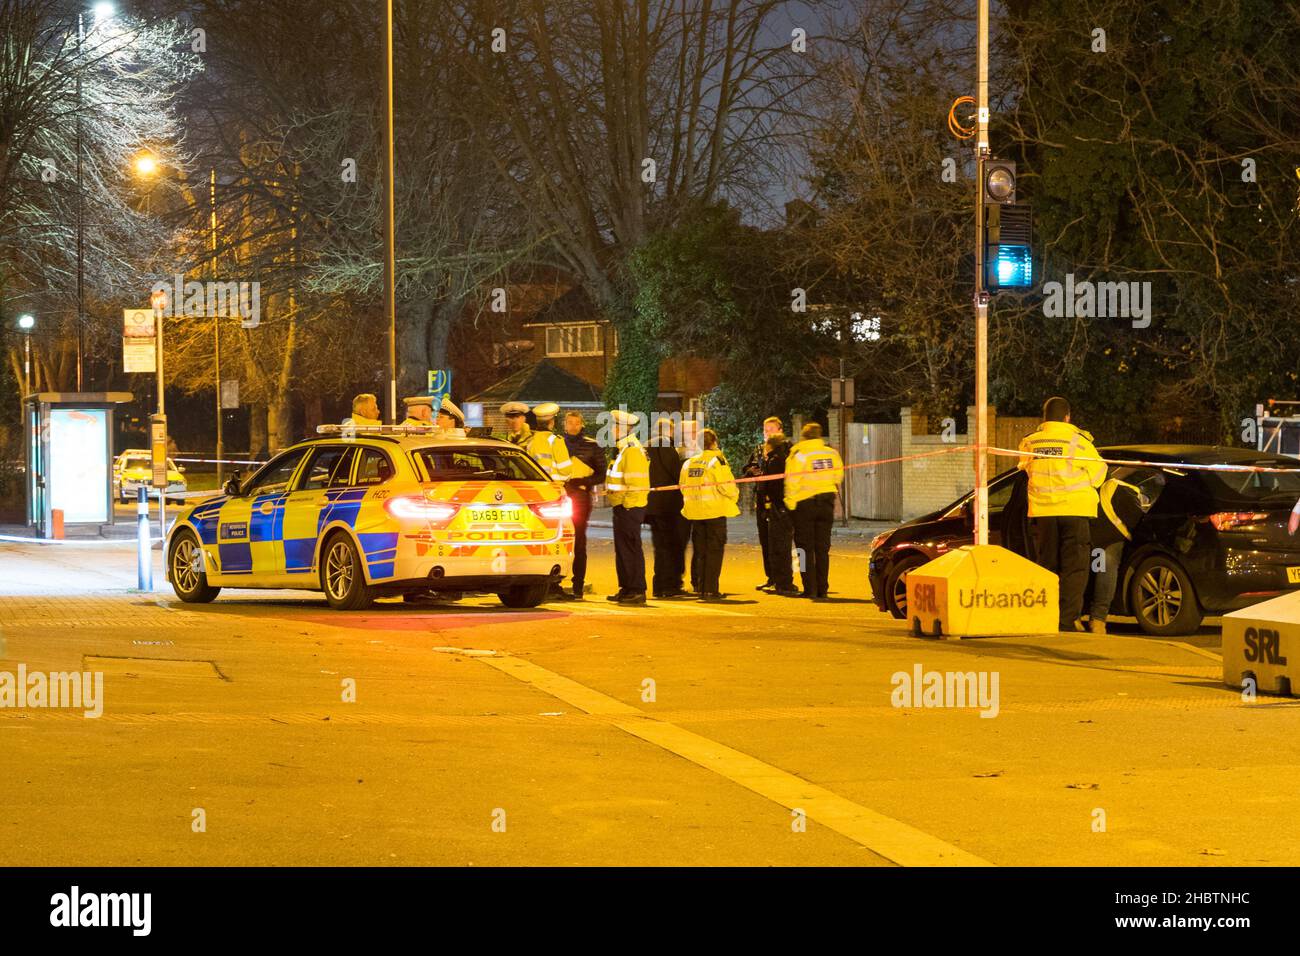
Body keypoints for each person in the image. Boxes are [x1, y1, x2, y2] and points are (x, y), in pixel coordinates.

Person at [1017, 396, 1107, 632]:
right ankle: (1067, 621)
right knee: (1074, 569)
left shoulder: (1030, 442)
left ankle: (1046, 616)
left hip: (1043, 512)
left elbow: (1025, 468)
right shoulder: (1079, 442)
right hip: (1074, 511)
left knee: (1047, 566)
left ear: (1044, 418)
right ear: (1067, 417)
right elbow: (1099, 475)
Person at [1088, 468, 1162, 635]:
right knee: (1104, 569)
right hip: (1107, 541)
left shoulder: (1091, 486)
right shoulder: (1120, 489)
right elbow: (1135, 518)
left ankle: (1080, 616)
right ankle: (1098, 618)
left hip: (1092, 540)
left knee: (1096, 570)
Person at [784, 422, 844, 601]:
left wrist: (790, 504)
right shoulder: (831, 453)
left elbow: (791, 482)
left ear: (803, 436)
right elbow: (838, 476)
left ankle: (809, 588)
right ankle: (823, 589)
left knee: (803, 550)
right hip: (826, 503)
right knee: (822, 548)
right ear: (819, 436)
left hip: (805, 504)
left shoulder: (799, 454)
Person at [680, 429, 740, 601]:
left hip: (695, 514)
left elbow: (682, 486)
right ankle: (710, 590)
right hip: (714, 512)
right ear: (714, 442)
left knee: (700, 552)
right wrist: (734, 496)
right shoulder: (717, 461)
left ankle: (700, 587)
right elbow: (727, 486)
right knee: (714, 552)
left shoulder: (689, 462)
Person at [605, 409, 650, 605]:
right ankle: (626, 587)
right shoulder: (624, 449)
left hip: (629, 508)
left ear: (624, 428)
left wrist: (628, 506)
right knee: (623, 550)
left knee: (631, 549)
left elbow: (637, 482)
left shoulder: (631, 449)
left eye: (614, 426)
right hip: (623, 507)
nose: (612, 430)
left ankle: (637, 589)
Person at [561, 411, 605, 600]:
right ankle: (554, 584)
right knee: (558, 542)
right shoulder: (558, 444)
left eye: (576, 423)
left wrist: (584, 482)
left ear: (582, 425)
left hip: (580, 500)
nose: (573, 426)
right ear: (564, 425)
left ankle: (578, 586)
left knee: (579, 543)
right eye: (570, 423)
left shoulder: (591, 446)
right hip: (559, 499)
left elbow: (601, 474)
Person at [645, 417, 691, 598]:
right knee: (669, 547)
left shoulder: (646, 447)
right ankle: (668, 587)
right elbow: (677, 475)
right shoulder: (667, 448)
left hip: (652, 505)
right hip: (668, 506)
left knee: (659, 546)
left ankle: (659, 586)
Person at [743, 416, 785, 590]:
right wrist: (751, 471)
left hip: (779, 500)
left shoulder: (785, 449)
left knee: (780, 542)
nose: (767, 433)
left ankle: (783, 579)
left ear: (780, 431)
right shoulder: (760, 450)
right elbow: (746, 470)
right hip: (762, 499)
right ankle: (770, 577)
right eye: (765, 430)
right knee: (765, 540)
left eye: (771, 430)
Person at [760, 431, 799, 596]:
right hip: (784, 507)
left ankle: (783, 582)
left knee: (780, 547)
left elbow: (773, 485)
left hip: (779, 508)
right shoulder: (784, 457)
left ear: (770, 445)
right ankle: (781, 582)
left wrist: (771, 505)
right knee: (778, 546)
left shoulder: (776, 460)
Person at [525, 402, 573, 481]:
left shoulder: (530, 442)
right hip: (555, 487)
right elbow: (565, 471)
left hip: (537, 486)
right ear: (552, 422)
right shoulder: (556, 441)